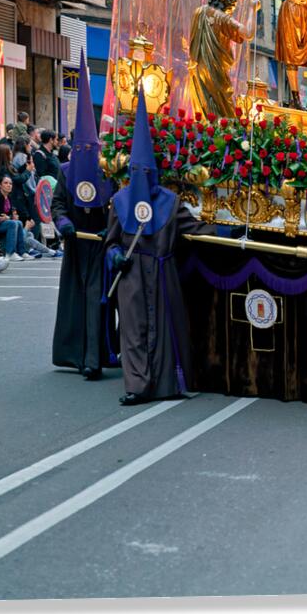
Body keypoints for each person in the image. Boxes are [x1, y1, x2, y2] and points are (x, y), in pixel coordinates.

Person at [105, 87, 215, 406]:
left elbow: (194, 227)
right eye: (137, 172)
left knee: (164, 327)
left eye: (147, 172)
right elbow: (110, 242)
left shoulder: (169, 201)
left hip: (163, 271)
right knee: (134, 330)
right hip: (132, 274)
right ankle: (137, 385)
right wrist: (116, 258)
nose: (142, 176)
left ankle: (166, 382)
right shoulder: (119, 201)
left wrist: (230, 230)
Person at [52, 50, 117, 380]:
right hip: (76, 243)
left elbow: (116, 207)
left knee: (95, 299)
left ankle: (93, 359)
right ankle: (72, 354)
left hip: (99, 245)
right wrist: (63, 224)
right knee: (75, 300)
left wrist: (111, 230)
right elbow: (58, 204)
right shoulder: (65, 171)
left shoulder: (107, 174)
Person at [188, 0, 260, 118]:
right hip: (215, 71)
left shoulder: (198, 12)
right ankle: (221, 134)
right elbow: (248, 33)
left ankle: (205, 132)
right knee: (224, 111)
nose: (232, 11)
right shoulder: (222, 18)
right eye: (233, 6)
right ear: (229, 4)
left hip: (197, 68)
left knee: (203, 106)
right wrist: (252, 9)